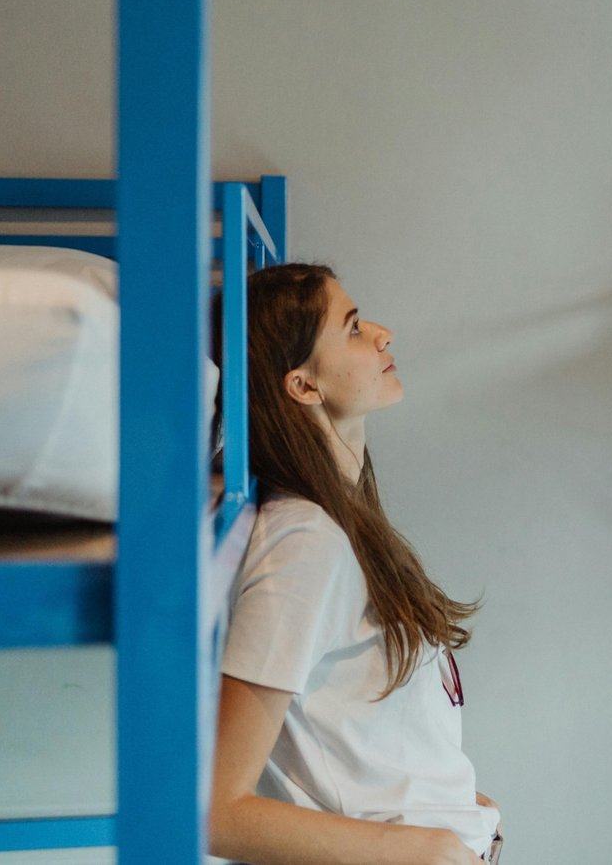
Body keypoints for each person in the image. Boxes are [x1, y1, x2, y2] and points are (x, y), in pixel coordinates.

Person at [209, 263, 502, 864]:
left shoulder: (340, 520)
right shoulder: (303, 543)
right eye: (351, 328)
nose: (382, 333)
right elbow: (216, 811)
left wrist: (465, 811)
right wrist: (430, 849)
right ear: (303, 386)